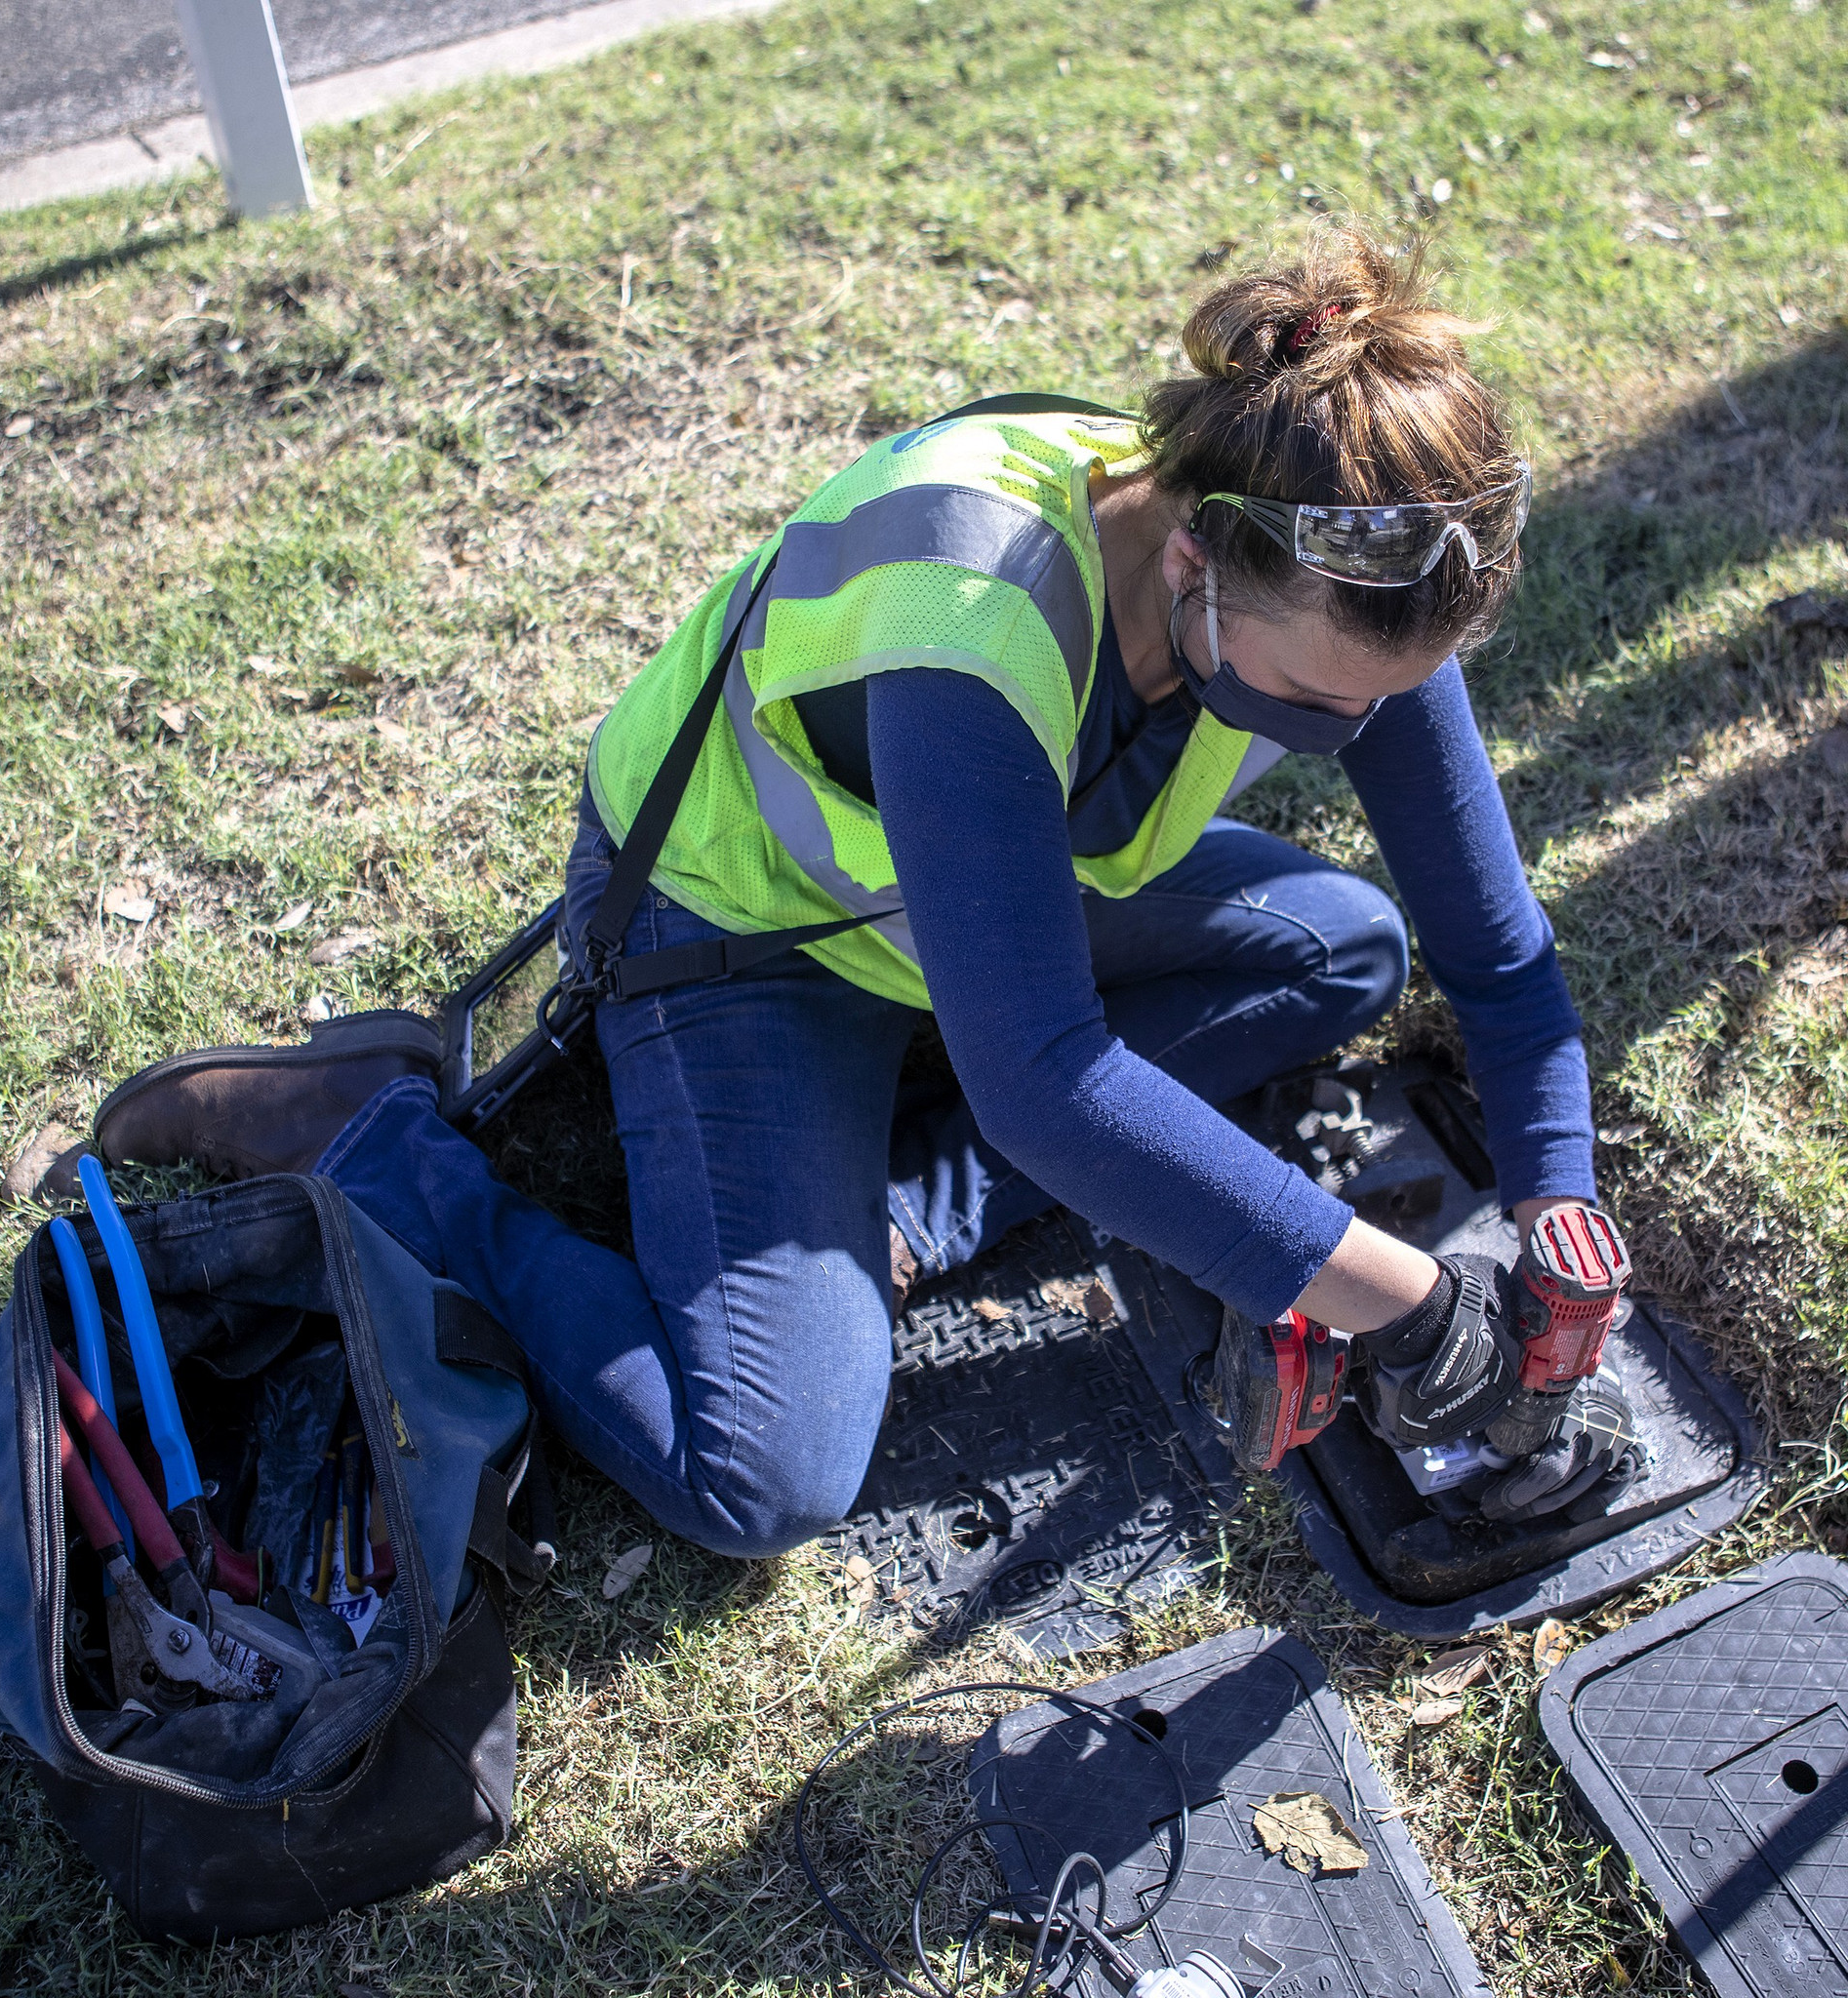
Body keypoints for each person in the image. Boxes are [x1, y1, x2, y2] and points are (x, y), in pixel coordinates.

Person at [92, 224, 1639, 1559]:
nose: (1355, 734)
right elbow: (1046, 1084)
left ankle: (903, 1214)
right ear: (1191, 566)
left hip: (983, 895)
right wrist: (1412, 1306)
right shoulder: (968, 619)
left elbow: (1491, 951)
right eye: (1315, 702)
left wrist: (1556, 1199)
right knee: (761, 1476)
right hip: (746, 928)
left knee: (1340, 946)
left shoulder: (1349, 570)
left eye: (1391, 696)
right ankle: (384, 1145)